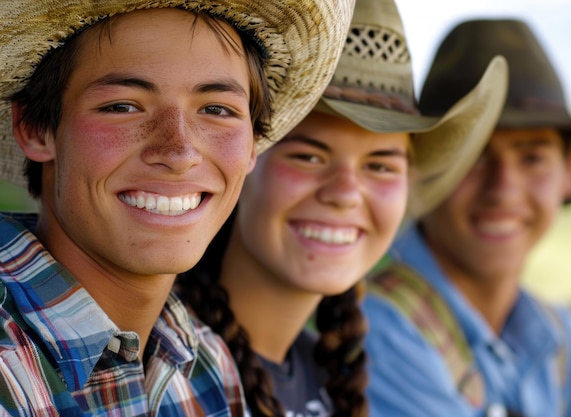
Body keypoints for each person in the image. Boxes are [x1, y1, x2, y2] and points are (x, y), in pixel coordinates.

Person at [0, 0, 356, 415]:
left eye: (217, 110)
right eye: (123, 106)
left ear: (252, 146)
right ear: (35, 128)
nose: (179, 151)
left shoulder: (205, 362)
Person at [176, 0, 508, 416]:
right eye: (308, 157)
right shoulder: (166, 369)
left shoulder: (326, 375)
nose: (346, 193)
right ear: (241, 162)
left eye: (380, 165)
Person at [364, 18, 571, 417]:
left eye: (532, 157)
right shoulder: (377, 330)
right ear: (426, 165)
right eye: (472, 156)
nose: (503, 188)